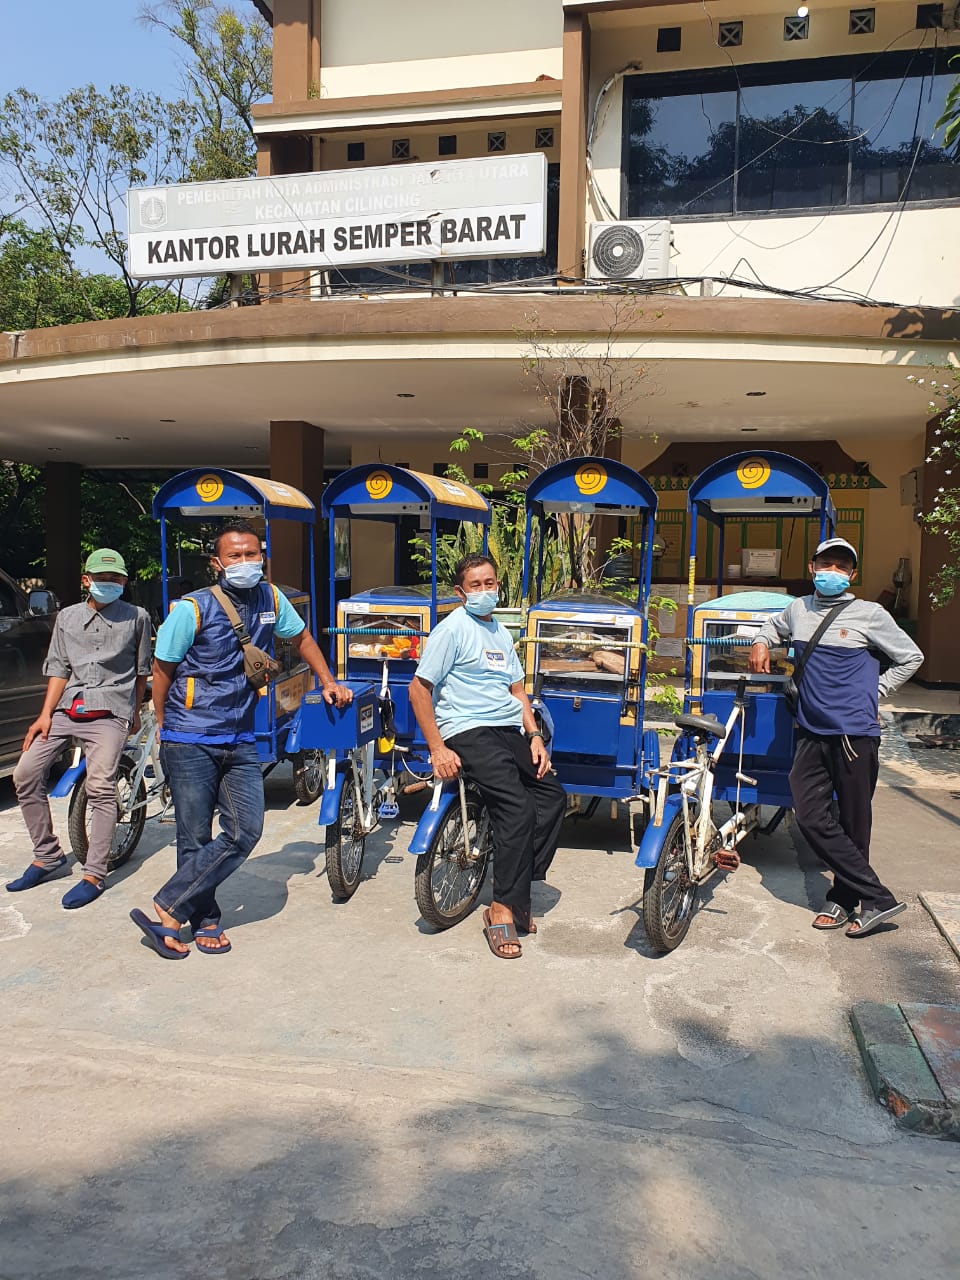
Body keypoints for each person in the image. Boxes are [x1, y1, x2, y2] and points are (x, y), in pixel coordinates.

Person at [130, 522, 352, 959]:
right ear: (217, 563)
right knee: (193, 835)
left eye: (252, 554)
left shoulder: (271, 598)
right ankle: (205, 920)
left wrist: (327, 680)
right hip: (190, 735)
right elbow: (162, 669)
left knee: (246, 829)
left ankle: (167, 906)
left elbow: (303, 636)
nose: (245, 562)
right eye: (235, 556)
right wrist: (162, 722)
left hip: (240, 734)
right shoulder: (191, 609)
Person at [748, 537, 923, 938]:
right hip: (811, 731)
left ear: (852, 574)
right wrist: (760, 641)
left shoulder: (870, 614)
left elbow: (911, 657)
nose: (832, 571)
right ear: (812, 568)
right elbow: (771, 627)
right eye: (825, 564)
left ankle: (847, 898)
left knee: (854, 821)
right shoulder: (797, 609)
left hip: (853, 734)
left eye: (841, 566)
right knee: (809, 813)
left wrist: (875, 691)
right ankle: (877, 896)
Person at [409, 553, 566, 960]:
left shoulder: (499, 631)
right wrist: (437, 747)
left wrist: (534, 736)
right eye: (475, 585)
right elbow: (419, 689)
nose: (484, 591)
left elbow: (518, 693)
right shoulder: (452, 630)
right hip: (468, 730)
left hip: (508, 729)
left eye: (490, 583)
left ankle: (517, 887)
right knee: (516, 808)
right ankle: (501, 908)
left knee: (551, 797)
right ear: (461, 592)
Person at [7, 549, 151, 908]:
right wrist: (44, 715)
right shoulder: (67, 618)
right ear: (86, 580)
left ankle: (94, 872)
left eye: (116, 579)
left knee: (100, 785)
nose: (109, 584)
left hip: (111, 711)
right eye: (102, 579)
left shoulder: (137, 617)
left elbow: (142, 670)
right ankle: (47, 856)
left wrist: (134, 712)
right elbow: (58, 668)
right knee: (25, 773)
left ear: (124, 581)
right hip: (66, 709)